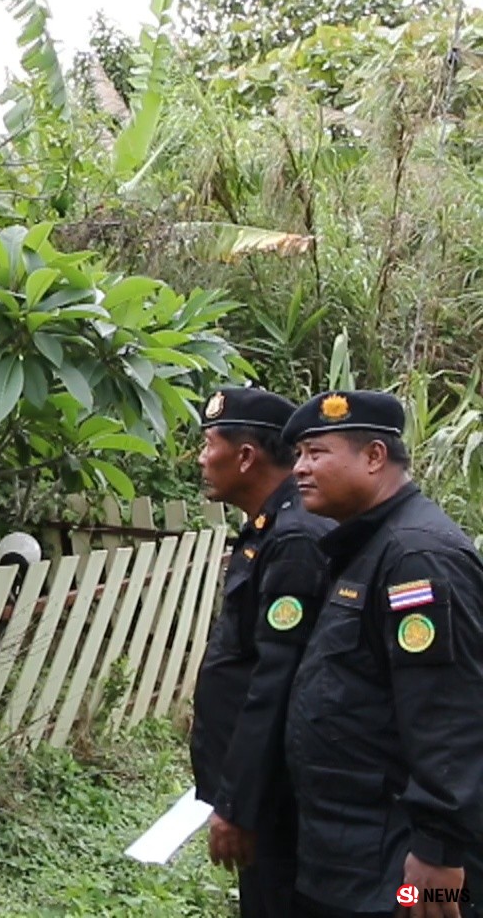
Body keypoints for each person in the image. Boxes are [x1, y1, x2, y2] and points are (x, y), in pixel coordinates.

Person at [281, 390, 483, 918]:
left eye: (316, 453)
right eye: (298, 454)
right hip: (351, 854)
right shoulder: (367, 546)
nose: (300, 469)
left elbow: (450, 709)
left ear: (374, 457)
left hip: (399, 864)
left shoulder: (417, 556)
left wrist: (438, 855)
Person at [188, 387, 333, 917]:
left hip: (275, 798)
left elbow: (274, 682)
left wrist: (240, 805)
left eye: (208, 445)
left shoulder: (293, 539)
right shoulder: (269, 529)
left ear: (245, 456)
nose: (202, 459)